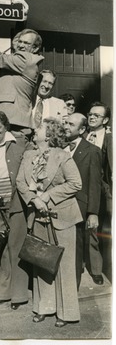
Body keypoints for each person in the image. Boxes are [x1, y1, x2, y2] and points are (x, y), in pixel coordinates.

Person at [17, 118, 82, 327]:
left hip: (63, 217)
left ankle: (67, 313)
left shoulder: (63, 156)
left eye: (40, 128)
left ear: (50, 133)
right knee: (42, 263)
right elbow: (20, 182)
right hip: (38, 217)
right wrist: (35, 199)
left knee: (64, 265)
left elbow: (76, 183)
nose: (35, 130)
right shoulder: (28, 155)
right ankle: (44, 307)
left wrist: (48, 196)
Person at [0, 110, 29, 310]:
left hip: (16, 202)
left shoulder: (20, 142)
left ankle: (19, 295)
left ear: (5, 126)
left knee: (16, 248)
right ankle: (1, 293)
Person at [0, 29, 44, 136]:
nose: (21, 45)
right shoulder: (22, 59)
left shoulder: (26, 60)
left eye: (26, 43)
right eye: (20, 41)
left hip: (13, 120)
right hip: (14, 118)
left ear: (35, 48)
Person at [64, 113, 102, 288]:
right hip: (59, 206)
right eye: (65, 123)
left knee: (76, 250)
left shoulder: (92, 151)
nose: (66, 126)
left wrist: (92, 213)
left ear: (81, 129)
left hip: (79, 206)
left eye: (71, 124)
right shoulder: (59, 147)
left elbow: (94, 184)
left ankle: (72, 289)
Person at [86, 102, 112, 283]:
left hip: (104, 191)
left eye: (97, 115)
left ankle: (106, 268)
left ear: (106, 120)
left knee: (104, 229)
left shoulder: (110, 139)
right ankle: (94, 268)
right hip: (84, 189)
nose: (92, 117)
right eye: (90, 114)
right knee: (89, 228)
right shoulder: (84, 134)